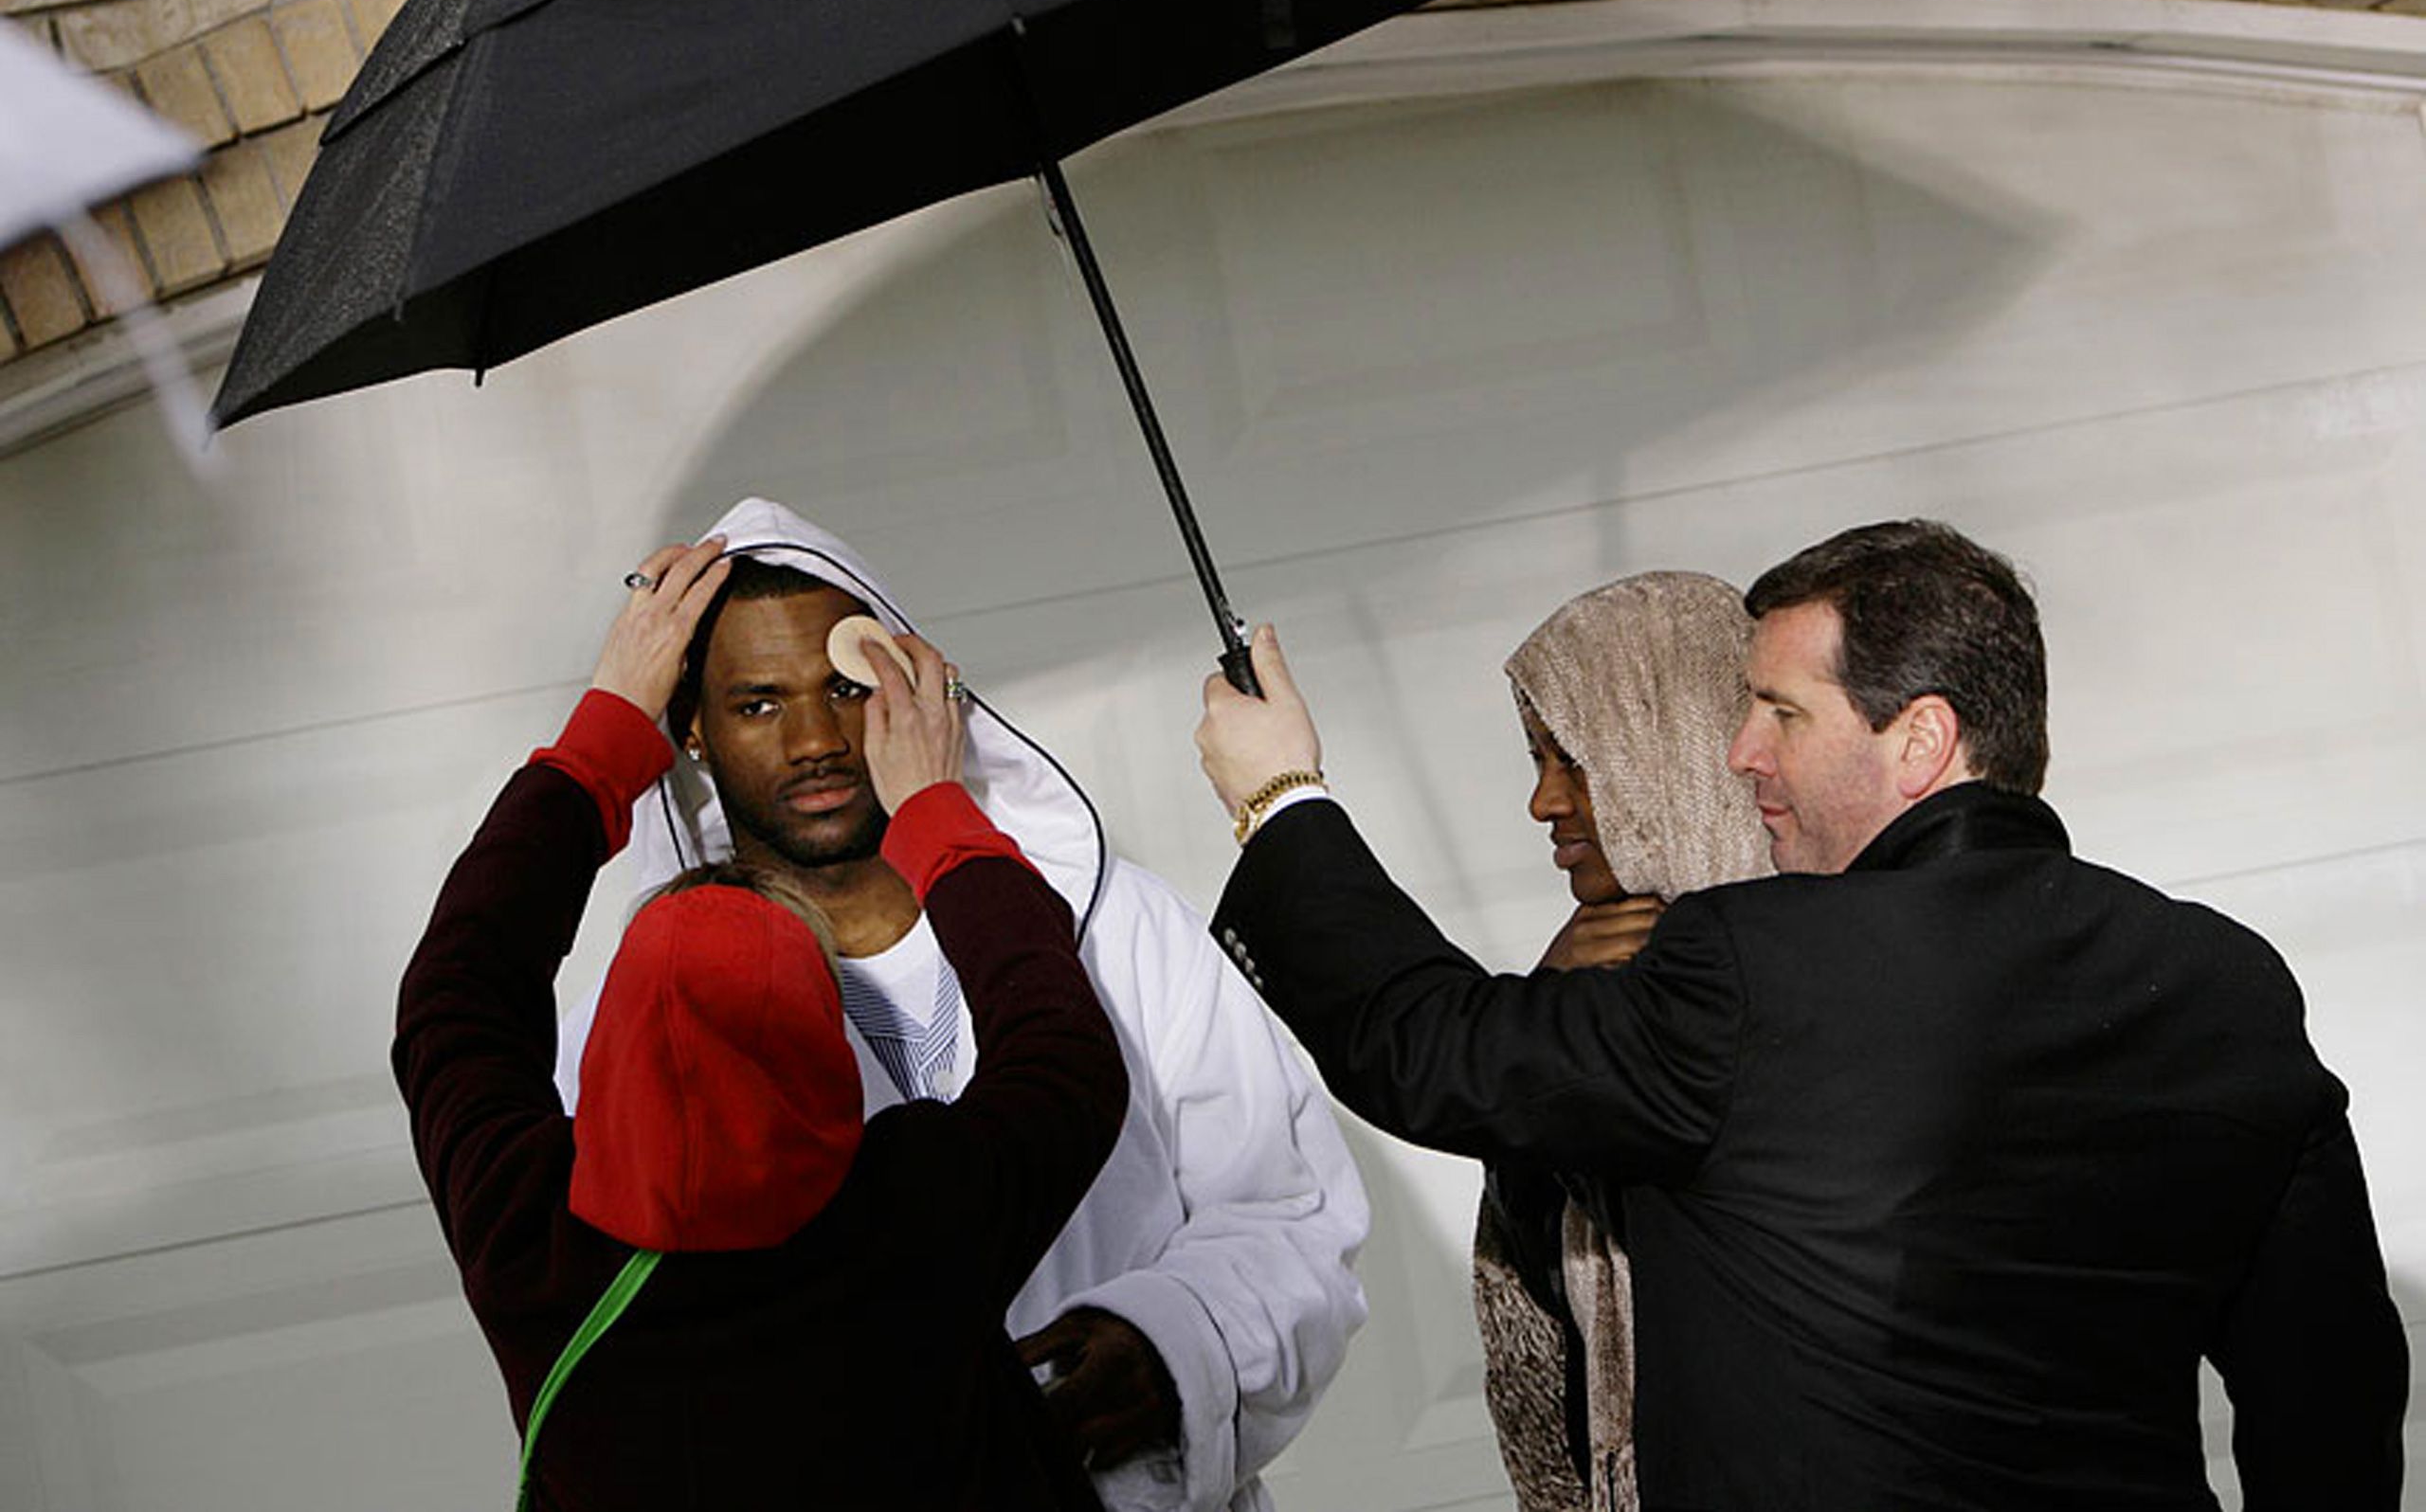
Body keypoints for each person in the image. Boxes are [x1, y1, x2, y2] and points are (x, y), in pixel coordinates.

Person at [1196, 520, 2408, 1510]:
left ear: (1920, 737)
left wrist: (1280, 797)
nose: (1736, 751)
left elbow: (1434, 1050)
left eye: (1781, 711)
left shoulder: (1747, 965)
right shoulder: (2224, 980)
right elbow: (2330, 1398)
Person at [553, 498, 1368, 1512]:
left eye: (848, 687)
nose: (813, 737)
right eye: (759, 703)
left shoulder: (1113, 926)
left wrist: (1175, 1342)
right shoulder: (644, 1023)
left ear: (915, 694)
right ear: (694, 735)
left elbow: (1289, 1210)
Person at [393, 537, 1129, 1508]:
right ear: (825, 1046)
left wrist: (600, 740)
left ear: (611, 1046)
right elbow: (1063, 1050)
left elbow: (458, 986)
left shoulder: (527, 1238)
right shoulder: (917, 1214)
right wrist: (937, 814)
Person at [1476, 573, 1772, 1512]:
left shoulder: (1816, 967)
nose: (1544, 802)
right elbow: (1531, 1286)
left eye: (1575, 759)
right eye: (1536, 760)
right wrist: (1547, 1019)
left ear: (1670, 747)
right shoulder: (1583, 982)